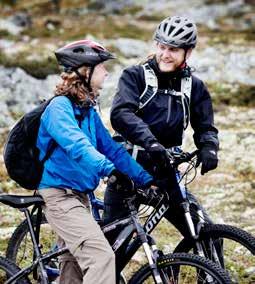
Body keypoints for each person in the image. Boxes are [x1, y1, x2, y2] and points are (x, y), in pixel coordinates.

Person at [36, 39, 153, 284]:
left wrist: (146, 180)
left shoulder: (87, 110)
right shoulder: (59, 109)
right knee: (101, 258)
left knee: (74, 268)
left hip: (79, 196)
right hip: (59, 196)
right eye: (102, 67)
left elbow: (112, 150)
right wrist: (109, 170)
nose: (107, 72)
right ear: (85, 71)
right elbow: (78, 146)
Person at [103, 16, 219, 238]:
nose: (165, 54)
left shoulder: (193, 86)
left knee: (204, 233)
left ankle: (206, 272)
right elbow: (120, 114)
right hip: (128, 170)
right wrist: (151, 142)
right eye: (162, 47)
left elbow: (205, 127)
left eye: (174, 50)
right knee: (111, 250)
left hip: (166, 172)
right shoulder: (135, 76)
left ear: (188, 52)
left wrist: (209, 147)